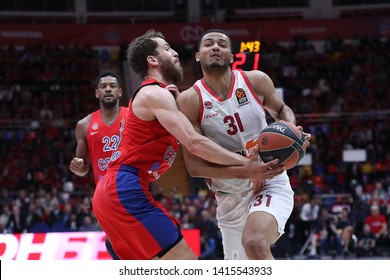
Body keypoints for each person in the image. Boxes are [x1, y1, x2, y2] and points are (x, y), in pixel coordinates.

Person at [91, 29, 284, 260]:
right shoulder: (154, 94)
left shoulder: (164, 96)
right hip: (123, 189)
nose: (174, 53)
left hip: (118, 191)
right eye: (166, 49)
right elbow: (194, 143)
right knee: (189, 266)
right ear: (152, 60)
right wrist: (247, 165)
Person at [176, 29, 311, 260]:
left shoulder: (255, 80)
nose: (216, 47)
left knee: (254, 241)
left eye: (222, 44)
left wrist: (292, 130)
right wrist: (247, 170)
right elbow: (194, 166)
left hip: (270, 181)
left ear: (231, 56)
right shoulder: (190, 100)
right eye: (209, 44)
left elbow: (281, 109)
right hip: (230, 195)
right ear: (198, 56)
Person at [69, 72, 127, 259]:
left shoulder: (133, 117)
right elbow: (83, 167)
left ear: (119, 92)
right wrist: (78, 167)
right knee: (116, 246)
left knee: (135, 243)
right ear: (97, 93)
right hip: (105, 195)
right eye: (103, 86)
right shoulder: (84, 125)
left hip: (133, 188)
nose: (108, 89)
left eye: (112, 86)